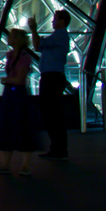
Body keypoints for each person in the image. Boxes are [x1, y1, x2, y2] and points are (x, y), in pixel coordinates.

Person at [0, 27, 41, 175]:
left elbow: (19, 79)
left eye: (12, 36)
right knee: (10, 126)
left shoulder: (24, 57)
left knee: (20, 127)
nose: (8, 38)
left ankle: (20, 164)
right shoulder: (12, 55)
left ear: (18, 40)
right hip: (13, 93)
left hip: (16, 94)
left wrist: (7, 80)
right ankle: (12, 164)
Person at [34, 11, 72, 161]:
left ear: (62, 21)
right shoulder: (60, 37)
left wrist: (33, 29)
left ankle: (58, 148)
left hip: (52, 77)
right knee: (53, 114)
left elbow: (38, 45)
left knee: (51, 114)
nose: (52, 22)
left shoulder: (59, 36)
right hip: (54, 76)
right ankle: (58, 148)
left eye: (55, 19)